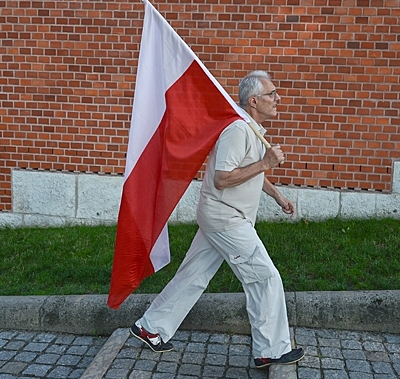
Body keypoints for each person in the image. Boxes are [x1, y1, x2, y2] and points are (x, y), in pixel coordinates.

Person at [130, 70, 304, 369]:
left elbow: (249, 171)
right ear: (254, 100)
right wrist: (266, 162)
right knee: (264, 277)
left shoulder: (250, 127)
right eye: (272, 94)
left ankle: (150, 327)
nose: (278, 98)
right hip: (226, 219)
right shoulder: (237, 130)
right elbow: (224, 178)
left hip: (222, 216)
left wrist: (277, 196)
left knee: (193, 275)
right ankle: (271, 351)